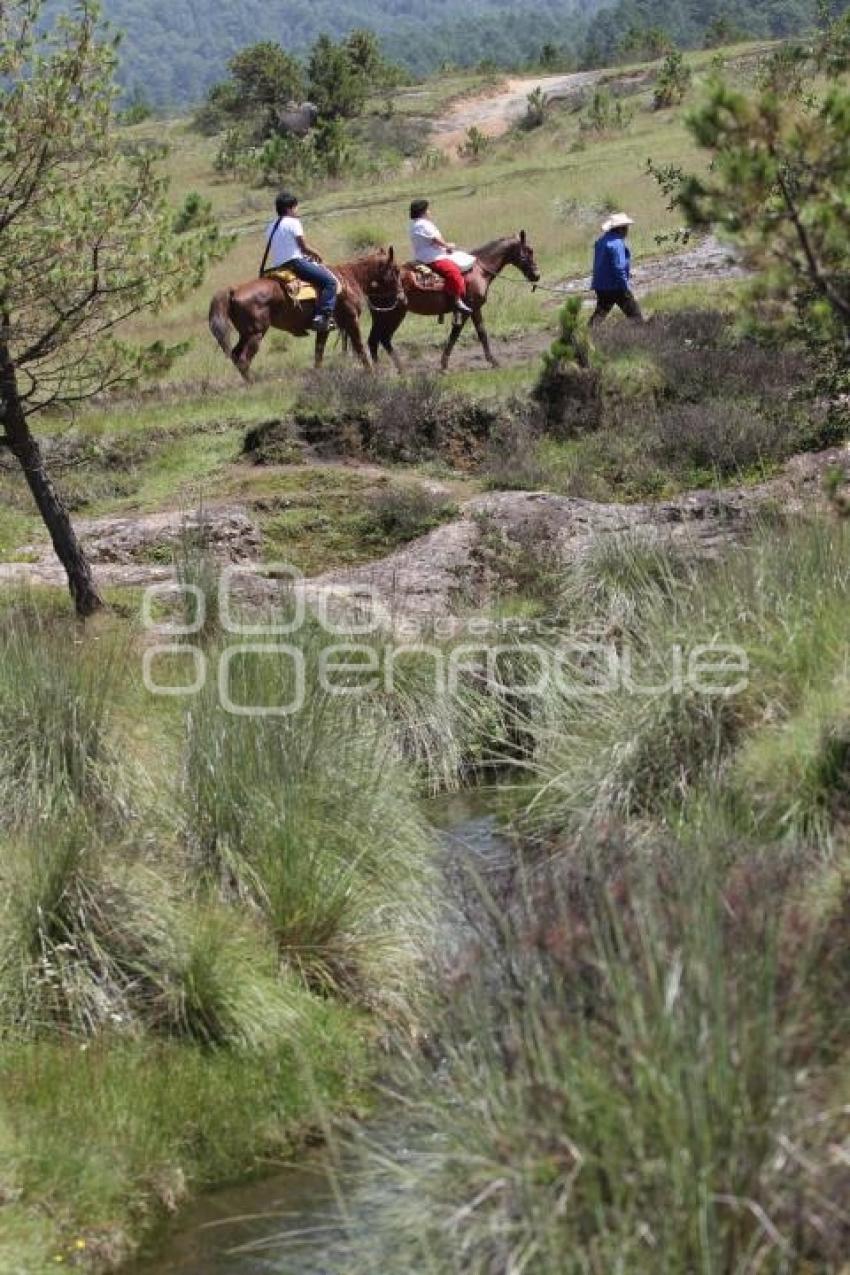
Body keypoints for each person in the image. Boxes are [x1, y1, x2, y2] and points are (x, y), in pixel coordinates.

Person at [260, 192, 338, 332]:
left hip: (279, 267)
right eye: (296, 207)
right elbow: (303, 248)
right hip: (295, 264)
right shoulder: (293, 222)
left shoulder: (271, 226)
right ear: (289, 209)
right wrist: (317, 254)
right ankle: (322, 316)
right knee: (330, 282)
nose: (297, 211)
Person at [408, 198, 473, 316]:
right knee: (453, 272)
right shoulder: (422, 224)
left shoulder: (415, 224)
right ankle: (457, 300)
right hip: (432, 257)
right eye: (428, 209)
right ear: (423, 211)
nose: (429, 211)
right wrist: (447, 245)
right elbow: (435, 239)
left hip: (430, 253)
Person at [589, 212, 643, 327]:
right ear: (621, 229)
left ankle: (586, 335)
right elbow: (618, 267)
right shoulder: (617, 243)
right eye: (626, 228)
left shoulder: (601, 241)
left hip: (601, 285)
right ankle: (642, 335)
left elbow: (603, 263)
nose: (628, 230)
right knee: (635, 315)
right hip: (616, 286)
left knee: (600, 313)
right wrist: (624, 285)